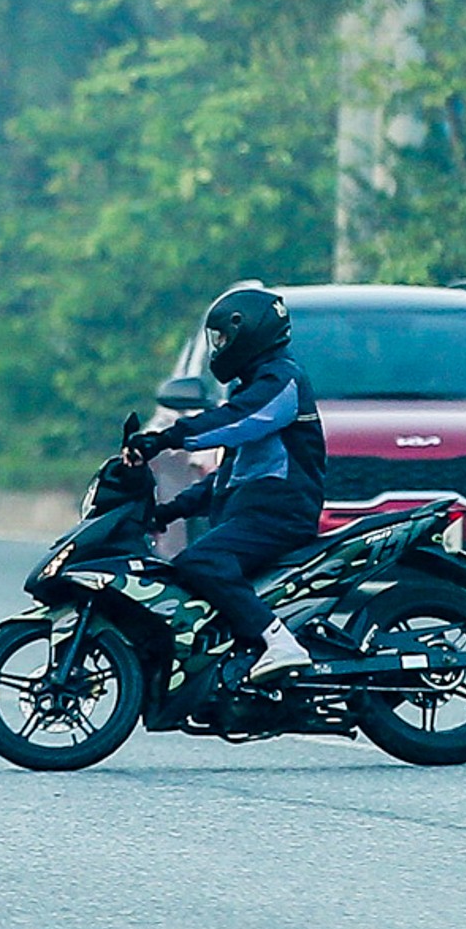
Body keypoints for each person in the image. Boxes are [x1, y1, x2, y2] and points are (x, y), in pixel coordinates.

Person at [124, 281, 326, 684]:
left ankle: (280, 644)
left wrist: (165, 439)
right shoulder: (251, 385)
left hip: (280, 513)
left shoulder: (281, 382)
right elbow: (228, 480)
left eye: (223, 338)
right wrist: (168, 510)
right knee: (190, 568)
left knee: (201, 562)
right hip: (253, 512)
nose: (218, 348)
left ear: (248, 332)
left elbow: (234, 421)